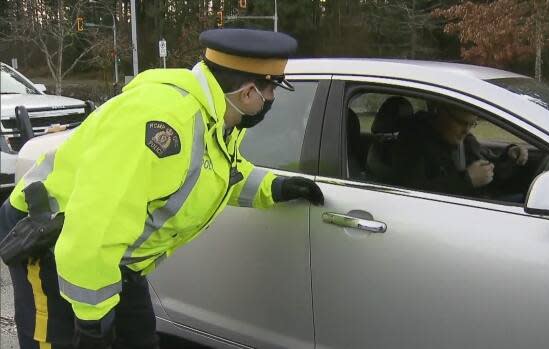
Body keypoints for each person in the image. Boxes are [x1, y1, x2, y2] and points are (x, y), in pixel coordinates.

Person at [0, 28, 324, 349]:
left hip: (116, 259)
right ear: (249, 92)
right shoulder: (163, 124)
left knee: (138, 339)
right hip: (51, 238)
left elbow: (217, 171)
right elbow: (93, 227)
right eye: (272, 90)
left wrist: (275, 187)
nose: (273, 99)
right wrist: (91, 322)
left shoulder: (219, 117)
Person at [393, 104, 528, 199]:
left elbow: (489, 168)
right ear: (441, 113)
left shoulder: (465, 141)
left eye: (471, 124)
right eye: (461, 122)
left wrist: (510, 156)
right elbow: (411, 194)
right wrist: (466, 180)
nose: (466, 130)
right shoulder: (413, 143)